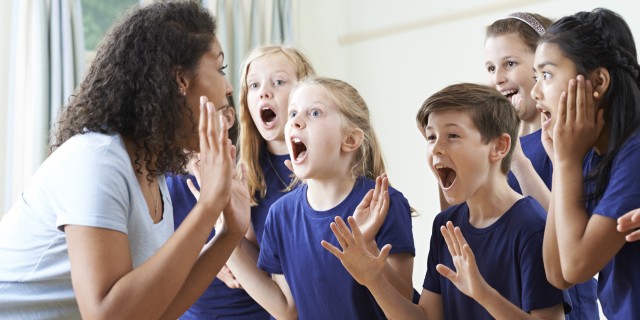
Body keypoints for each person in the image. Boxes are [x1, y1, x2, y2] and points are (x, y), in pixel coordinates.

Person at [0, 2, 250, 319]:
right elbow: (105, 314)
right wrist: (207, 208)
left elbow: (155, 309)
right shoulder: (97, 160)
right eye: (220, 69)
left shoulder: (153, 173)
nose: (228, 88)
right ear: (180, 80)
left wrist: (230, 232)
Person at [323, 83, 567, 319]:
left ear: (499, 146)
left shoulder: (532, 226)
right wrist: (373, 280)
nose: (436, 148)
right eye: (431, 137)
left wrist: (484, 294)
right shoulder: (446, 225)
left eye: (452, 135)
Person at [226, 77, 415, 319]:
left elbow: (404, 307)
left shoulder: (383, 203)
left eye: (314, 113)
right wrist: (223, 224)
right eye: (292, 113)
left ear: (350, 139)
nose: (295, 121)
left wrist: (368, 251)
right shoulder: (280, 214)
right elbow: (286, 309)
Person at [166, 45, 315, 319]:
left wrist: (220, 231)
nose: (265, 92)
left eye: (279, 82)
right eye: (254, 85)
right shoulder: (253, 171)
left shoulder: (313, 172)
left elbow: (286, 306)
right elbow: (249, 252)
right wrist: (216, 247)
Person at [485, 12, 599, 320]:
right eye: (491, 67)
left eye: (510, 64)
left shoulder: (569, 140)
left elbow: (568, 231)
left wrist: (519, 164)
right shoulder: (499, 151)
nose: (497, 78)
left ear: (542, 67)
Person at [533, 8, 640, 319]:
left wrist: (566, 162)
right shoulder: (590, 156)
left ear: (599, 81)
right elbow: (557, 273)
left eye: (547, 75)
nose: (536, 91)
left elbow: (577, 265)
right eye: (535, 78)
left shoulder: (634, 152)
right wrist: (562, 161)